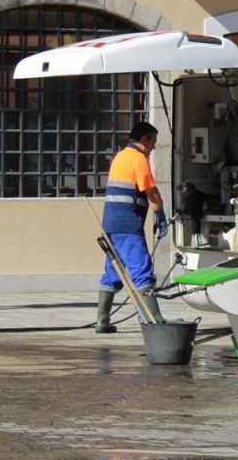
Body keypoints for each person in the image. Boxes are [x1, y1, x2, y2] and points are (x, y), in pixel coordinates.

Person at [96, 122, 168, 333]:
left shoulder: (120, 157)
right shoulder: (138, 159)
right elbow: (151, 191)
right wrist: (160, 213)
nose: (154, 147)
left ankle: (102, 321)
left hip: (111, 225)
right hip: (128, 226)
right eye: (153, 142)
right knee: (142, 272)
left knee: (113, 272)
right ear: (144, 139)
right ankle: (154, 321)